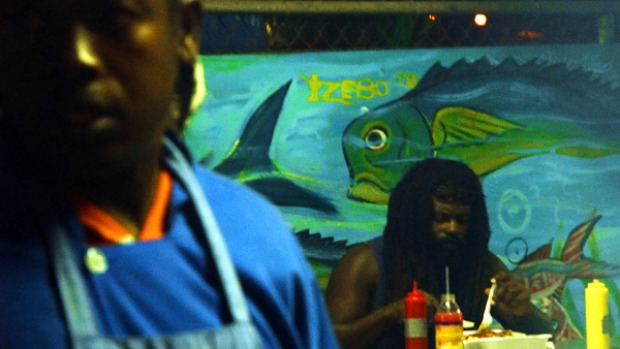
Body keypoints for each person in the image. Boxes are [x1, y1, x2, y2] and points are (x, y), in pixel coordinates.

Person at [0, 1, 339, 348]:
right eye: (34, 21)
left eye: (114, 18)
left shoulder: (257, 238)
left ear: (187, 31)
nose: (77, 56)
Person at [325, 158, 555, 349]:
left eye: (462, 220)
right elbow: (326, 341)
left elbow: (545, 339)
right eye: (441, 218)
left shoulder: (481, 265)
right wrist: (390, 315)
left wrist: (525, 313)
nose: (453, 229)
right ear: (415, 217)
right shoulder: (365, 263)